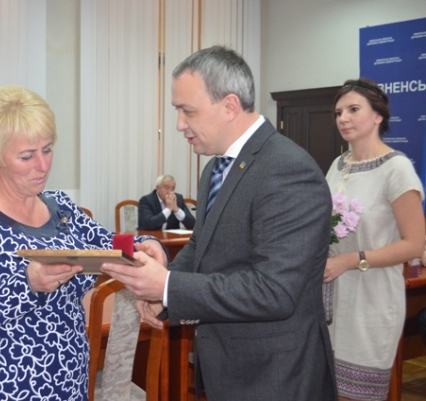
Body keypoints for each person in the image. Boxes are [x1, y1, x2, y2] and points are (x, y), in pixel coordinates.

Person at [101, 45, 337, 400]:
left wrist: (167, 286)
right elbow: (202, 244)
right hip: (226, 366)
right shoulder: (216, 166)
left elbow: (275, 291)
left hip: (275, 375)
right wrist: (164, 290)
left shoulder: (287, 169)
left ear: (229, 106)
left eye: (188, 111)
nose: (179, 125)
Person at [0, 85, 166, 401]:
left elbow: (110, 245)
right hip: (1, 387)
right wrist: (27, 284)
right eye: (27, 156)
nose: (43, 165)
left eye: (47, 149)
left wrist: (146, 244)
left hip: (69, 381)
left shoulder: (61, 207)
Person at [323, 78, 425, 401]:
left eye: (353, 109)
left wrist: (351, 260)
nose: (343, 118)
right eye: (339, 112)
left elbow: (414, 244)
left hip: (373, 298)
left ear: (378, 116)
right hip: (332, 298)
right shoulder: (337, 165)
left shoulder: (396, 169)